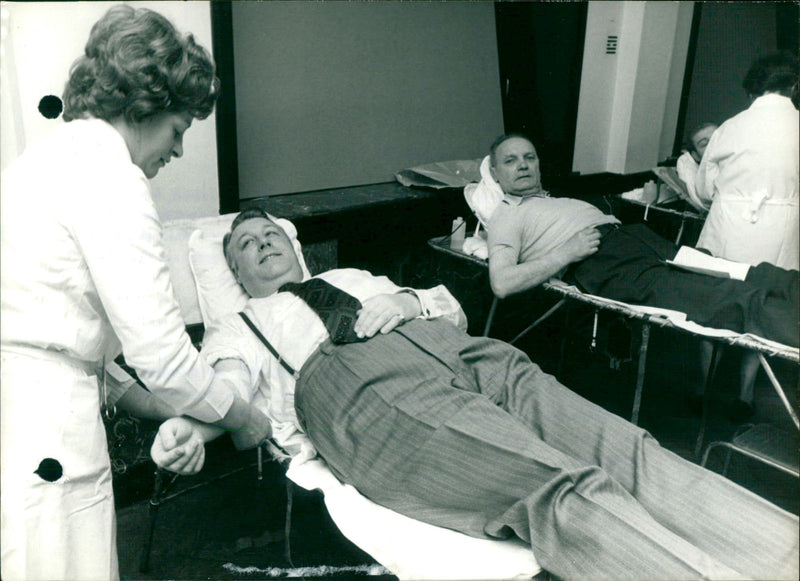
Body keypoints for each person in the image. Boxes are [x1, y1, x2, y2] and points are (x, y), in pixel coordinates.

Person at [151, 209, 798, 580]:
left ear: (293, 248)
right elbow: (229, 390)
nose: (263, 245)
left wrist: (406, 298)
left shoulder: (353, 275)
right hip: (361, 390)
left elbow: (451, 307)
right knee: (556, 488)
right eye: (245, 246)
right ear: (234, 273)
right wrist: (194, 428)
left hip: (465, 353)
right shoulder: (234, 328)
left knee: (632, 451)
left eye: (270, 236)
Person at [0, 7, 269, 581]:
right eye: (178, 129)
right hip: (46, 425)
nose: (176, 152)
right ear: (144, 105)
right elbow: (164, 359)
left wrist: (187, 415)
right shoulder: (109, 175)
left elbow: (81, 345)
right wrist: (243, 417)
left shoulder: (45, 161)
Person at [484, 133, 799, 349]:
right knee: (727, 297)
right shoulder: (507, 214)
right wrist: (567, 252)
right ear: (495, 174)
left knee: (752, 274)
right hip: (607, 263)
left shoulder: (549, 200)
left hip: (638, 240)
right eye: (510, 161)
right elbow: (502, 282)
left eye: (529, 157)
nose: (523, 164)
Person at [693, 51, 799, 418]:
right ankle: (745, 393)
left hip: (727, 229)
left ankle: (702, 384)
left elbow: (705, 191)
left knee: (713, 305)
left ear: (753, 90)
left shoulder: (731, 126)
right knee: (763, 310)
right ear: (794, 86)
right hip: (781, 234)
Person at [675, 122, 718, 213]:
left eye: (718, 138)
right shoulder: (704, 185)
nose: (714, 144)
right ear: (696, 156)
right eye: (704, 144)